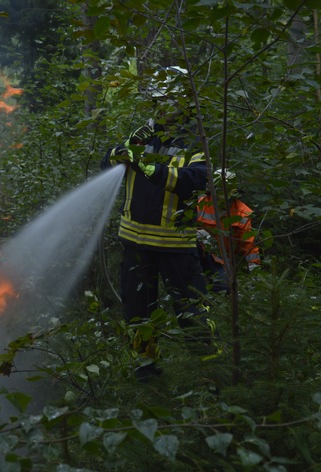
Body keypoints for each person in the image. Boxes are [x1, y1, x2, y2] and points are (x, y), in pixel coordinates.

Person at [101, 66, 212, 380]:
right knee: (137, 312)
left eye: (168, 101)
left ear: (184, 102)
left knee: (192, 311)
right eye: (157, 101)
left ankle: (211, 372)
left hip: (175, 245)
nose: (161, 108)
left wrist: (153, 169)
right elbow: (106, 165)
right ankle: (146, 367)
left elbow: (195, 179)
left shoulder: (194, 139)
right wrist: (118, 152)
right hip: (135, 243)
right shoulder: (144, 134)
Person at [196, 169, 261, 293]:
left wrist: (254, 270)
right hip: (198, 253)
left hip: (222, 259)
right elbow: (184, 229)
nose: (221, 193)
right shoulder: (201, 204)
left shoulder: (242, 212)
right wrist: (201, 234)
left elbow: (249, 244)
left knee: (224, 288)